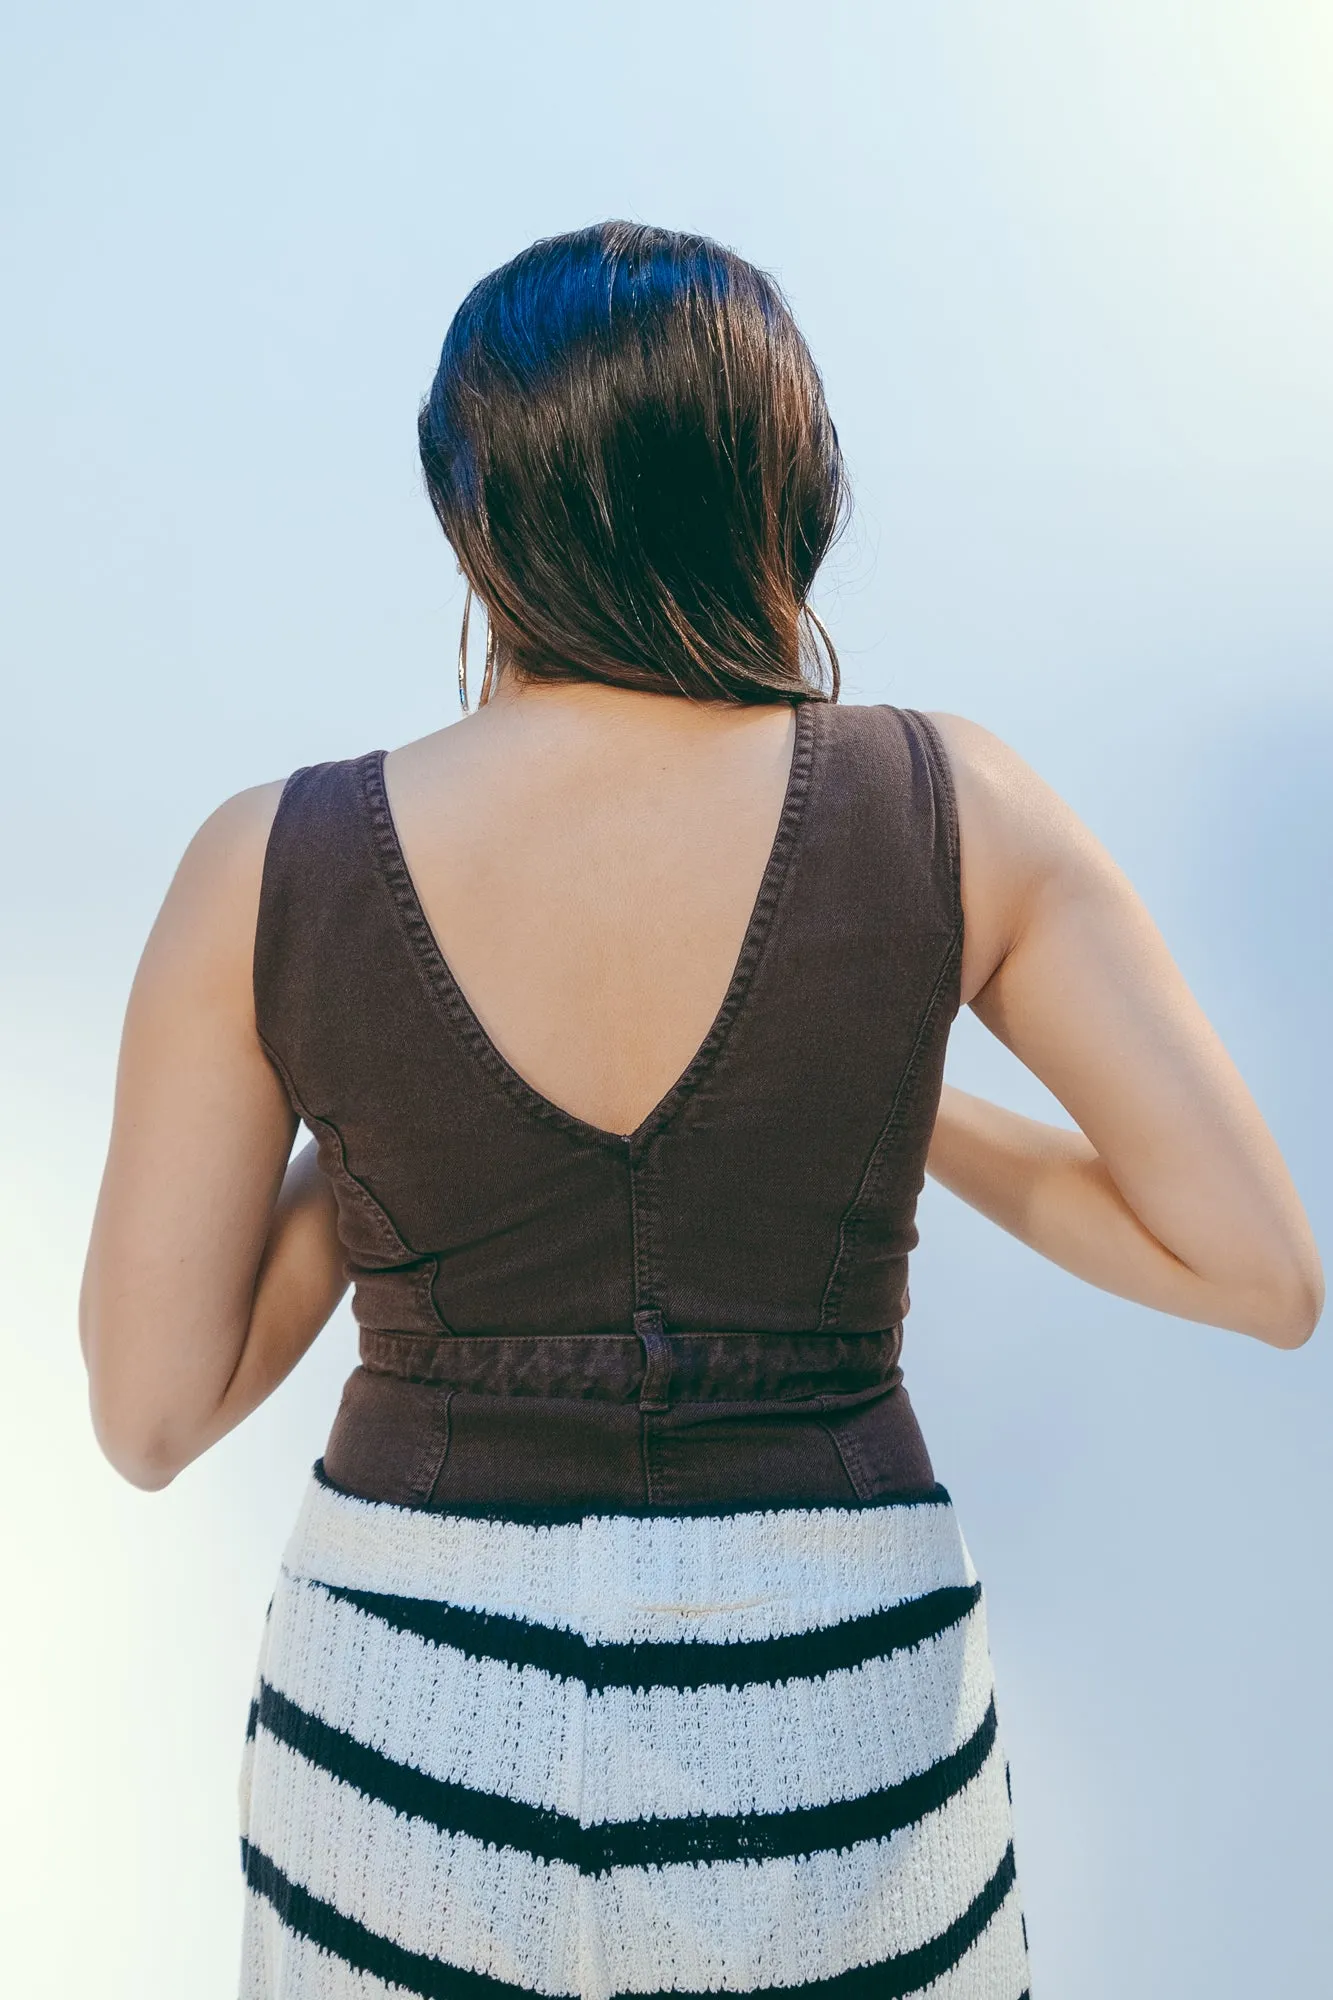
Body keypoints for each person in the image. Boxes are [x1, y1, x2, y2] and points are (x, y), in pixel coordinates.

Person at [80, 222, 1322, 2000]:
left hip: (407, 1741)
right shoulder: (952, 806)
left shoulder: (271, 864)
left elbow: (148, 1412)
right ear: (791, 491)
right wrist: (889, 1072)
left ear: (470, 508)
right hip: (837, 1742)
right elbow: (1259, 1272)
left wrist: (378, 1102)